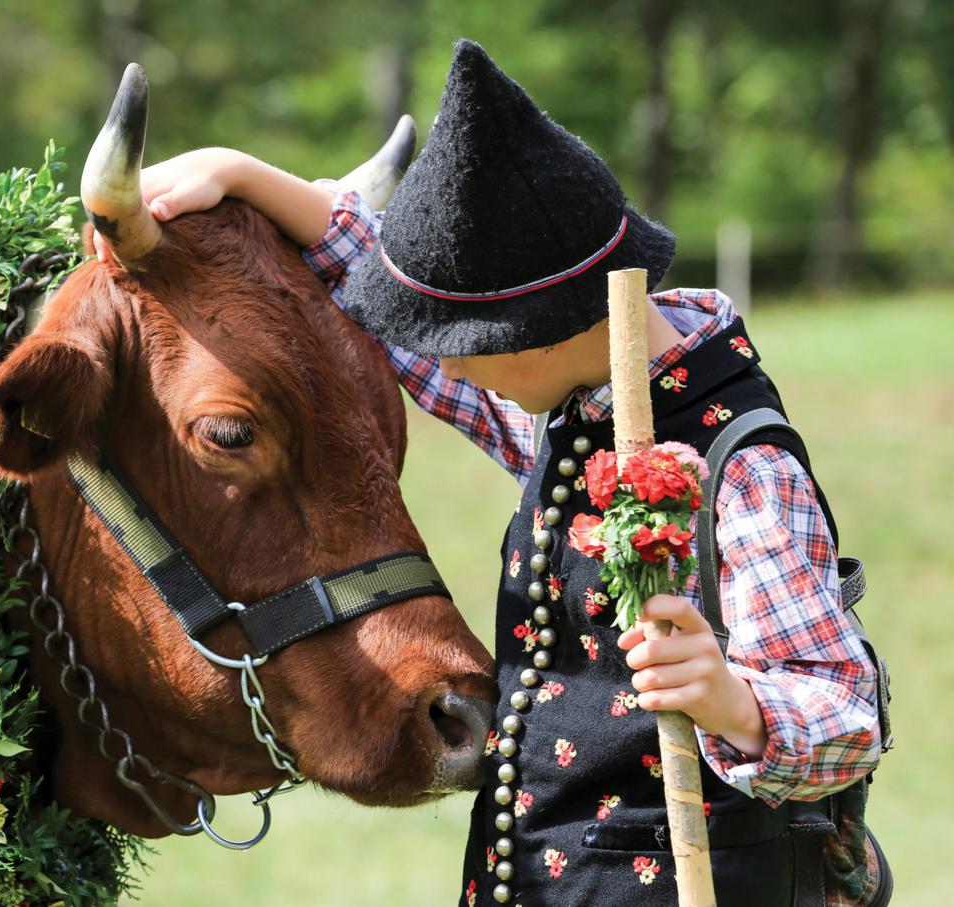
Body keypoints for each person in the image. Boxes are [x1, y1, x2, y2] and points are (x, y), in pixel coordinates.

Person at [98, 39, 884, 907]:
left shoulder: (744, 473)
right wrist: (244, 175)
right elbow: (408, 332)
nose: (443, 368)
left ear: (538, 328)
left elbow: (845, 712)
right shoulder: (576, 406)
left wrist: (738, 705)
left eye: (464, 347)